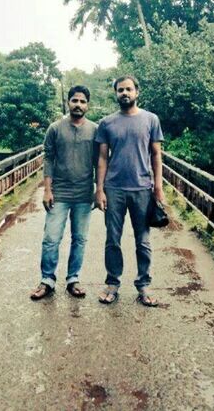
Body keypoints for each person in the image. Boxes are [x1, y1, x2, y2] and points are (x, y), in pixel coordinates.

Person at [95, 75, 164, 307]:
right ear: (116, 93)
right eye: (120, 90)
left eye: (129, 89)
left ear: (137, 92)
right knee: (112, 239)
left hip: (142, 189)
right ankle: (112, 284)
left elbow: (156, 155)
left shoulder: (151, 119)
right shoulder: (107, 123)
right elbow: (102, 158)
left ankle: (143, 286)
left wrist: (159, 190)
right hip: (114, 189)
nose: (124, 93)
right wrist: (100, 189)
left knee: (142, 241)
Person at [30, 86, 97, 300]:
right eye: (74, 100)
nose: (78, 104)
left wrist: (99, 190)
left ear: (88, 105)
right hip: (59, 193)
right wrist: (47, 190)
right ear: (68, 103)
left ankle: (73, 279)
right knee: (51, 238)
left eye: (82, 101)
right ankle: (47, 280)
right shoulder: (55, 128)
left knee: (80, 239)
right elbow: (48, 158)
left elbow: (101, 162)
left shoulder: (95, 130)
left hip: (84, 194)